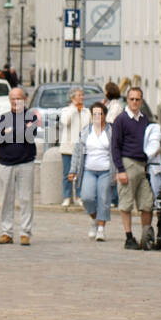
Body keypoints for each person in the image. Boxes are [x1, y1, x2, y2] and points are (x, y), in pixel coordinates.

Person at [110, 85, 156, 250]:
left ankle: (146, 234)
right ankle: (128, 237)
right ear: (127, 100)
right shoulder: (120, 119)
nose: (135, 102)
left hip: (142, 165)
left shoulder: (144, 119)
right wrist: (120, 169)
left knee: (147, 203)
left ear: (141, 100)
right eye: (132, 99)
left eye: (137, 99)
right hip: (127, 163)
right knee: (126, 203)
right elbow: (115, 146)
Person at [0, 86, 40, 246]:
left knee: (26, 199)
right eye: (13, 98)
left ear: (24, 99)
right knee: (6, 199)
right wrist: (18, 131)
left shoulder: (31, 117)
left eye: (18, 98)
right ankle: (6, 232)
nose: (15, 101)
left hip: (25, 163)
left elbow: (29, 135)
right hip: (5, 163)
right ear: (9, 100)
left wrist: (10, 132)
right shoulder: (2, 117)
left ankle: (25, 233)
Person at [69, 102, 113, 241]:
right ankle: (93, 218)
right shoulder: (86, 131)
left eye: (100, 114)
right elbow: (77, 151)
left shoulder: (112, 131)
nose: (97, 117)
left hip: (106, 169)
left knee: (104, 199)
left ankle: (101, 228)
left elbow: (116, 151)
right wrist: (73, 170)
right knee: (87, 197)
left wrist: (118, 170)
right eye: (94, 114)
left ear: (105, 115)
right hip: (88, 169)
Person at [58, 89, 90, 208]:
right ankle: (67, 197)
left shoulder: (87, 111)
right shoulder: (66, 110)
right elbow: (65, 122)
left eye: (82, 95)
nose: (82, 97)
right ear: (72, 98)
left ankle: (79, 196)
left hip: (81, 148)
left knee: (81, 174)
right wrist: (74, 109)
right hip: (68, 147)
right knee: (67, 173)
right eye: (79, 95)